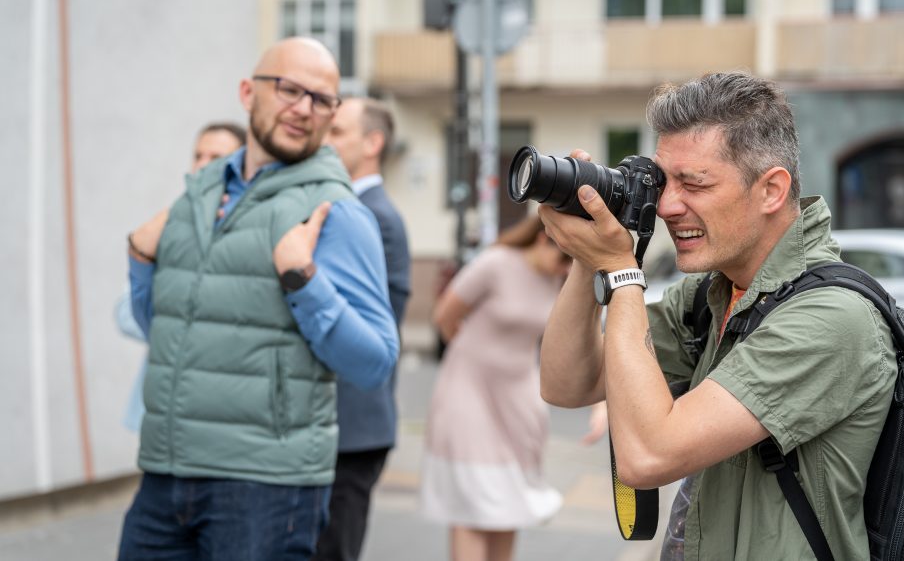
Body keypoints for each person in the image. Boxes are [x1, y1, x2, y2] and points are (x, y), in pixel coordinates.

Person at [538, 71, 897, 560]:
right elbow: (567, 384)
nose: (666, 205)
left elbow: (647, 457)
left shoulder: (832, 318)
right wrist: (587, 257)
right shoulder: (711, 297)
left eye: (694, 184)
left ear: (771, 190)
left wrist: (621, 272)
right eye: (665, 182)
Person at [117, 37, 399, 560]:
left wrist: (304, 281)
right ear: (249, 92)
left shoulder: (337, 213)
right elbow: (166, 328)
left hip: (266, 486)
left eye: (321, 99)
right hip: (165, 473)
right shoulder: (199, 194)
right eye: (290, 89)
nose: (303, 109)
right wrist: (140, 264)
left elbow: (375, 362)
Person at [420, 215, 571, 561]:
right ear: (542, 239)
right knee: (471, 501)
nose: (565, 269)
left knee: (508, 502)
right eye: (563, 259)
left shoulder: (559, 281)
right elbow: (445, 316)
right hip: (468, 391)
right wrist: (474, 362)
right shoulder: (496, 264)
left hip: (518, 397)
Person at [314, 97, 411, 561]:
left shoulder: (376, 217)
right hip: (340, 424)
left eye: (337, 131)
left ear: (373, 143)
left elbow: (379, 329)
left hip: (353, 424)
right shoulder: (350, 207)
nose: (324, 140)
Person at [115, 122, 245, 432]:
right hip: (164, 411)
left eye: (215, 156)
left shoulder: (254, 230)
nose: (202, 164)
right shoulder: (170, 224)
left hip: (224, 416)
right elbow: (126, 314)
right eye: (197, 155)